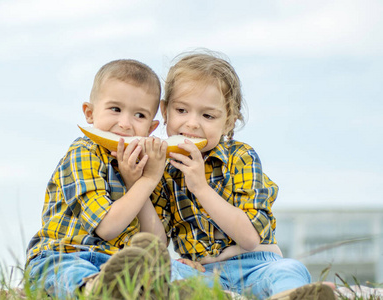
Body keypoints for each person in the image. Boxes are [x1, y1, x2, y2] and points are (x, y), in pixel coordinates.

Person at [152, 51, 336, 300]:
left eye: (208, 115)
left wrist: (201, 188)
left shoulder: (241, 157)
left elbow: (249, 238)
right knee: (163, 270)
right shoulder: (162, 167)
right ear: (165, 111)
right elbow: (157, 240)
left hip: (257, 265)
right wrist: (144, 181)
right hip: (202, 272)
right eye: (182, 110)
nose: (192, 123)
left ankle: (289, 295)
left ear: (229, 121)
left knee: (289, 269)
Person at [25, 59, 170, 299]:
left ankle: (138, 288)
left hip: (117, 262)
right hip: (65, 253)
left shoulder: (149, 166)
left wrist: (139, 181)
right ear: (90, 113)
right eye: (115, 109)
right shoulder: (83, 153)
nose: (125, 123)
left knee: (161, 267)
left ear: (152, 128)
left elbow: (157, 242)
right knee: (69, 270)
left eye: (139, 115)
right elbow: (107, 228)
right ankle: (97, 288)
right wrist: (147, 182)